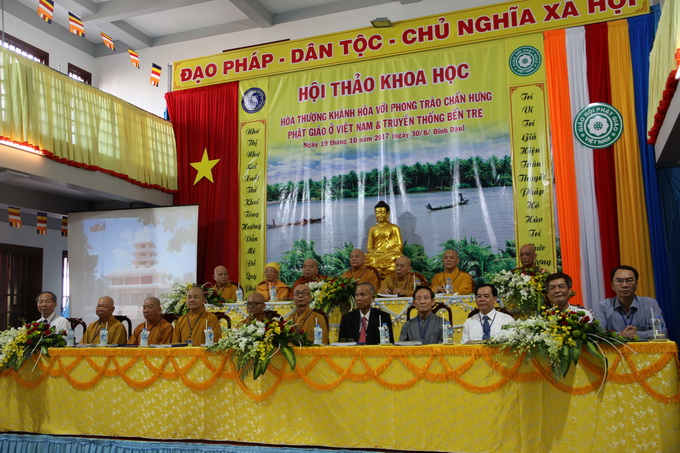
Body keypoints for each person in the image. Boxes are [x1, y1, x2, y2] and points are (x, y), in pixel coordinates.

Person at [593, 265, 666, 340]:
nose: (624, 285)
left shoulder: (650, 304)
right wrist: (622, 335)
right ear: (612, 285)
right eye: (619, 281)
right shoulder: (602, 307)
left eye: (629, 280)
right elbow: (598, 334)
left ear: (636, 284)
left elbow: (661, 332)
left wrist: (637, 334)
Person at [365, 201, 403, 275]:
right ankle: (384, 268)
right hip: (377, 254)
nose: (379, 215)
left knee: (397, 256)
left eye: (382, 212)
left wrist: (387, 252)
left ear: (388, 213)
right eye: (377, 213)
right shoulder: (372, 229)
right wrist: (375, 252)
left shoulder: (394, 228)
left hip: (390, 254)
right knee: (366, 258)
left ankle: (381, 268)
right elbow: (369, 248)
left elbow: (399, 246)